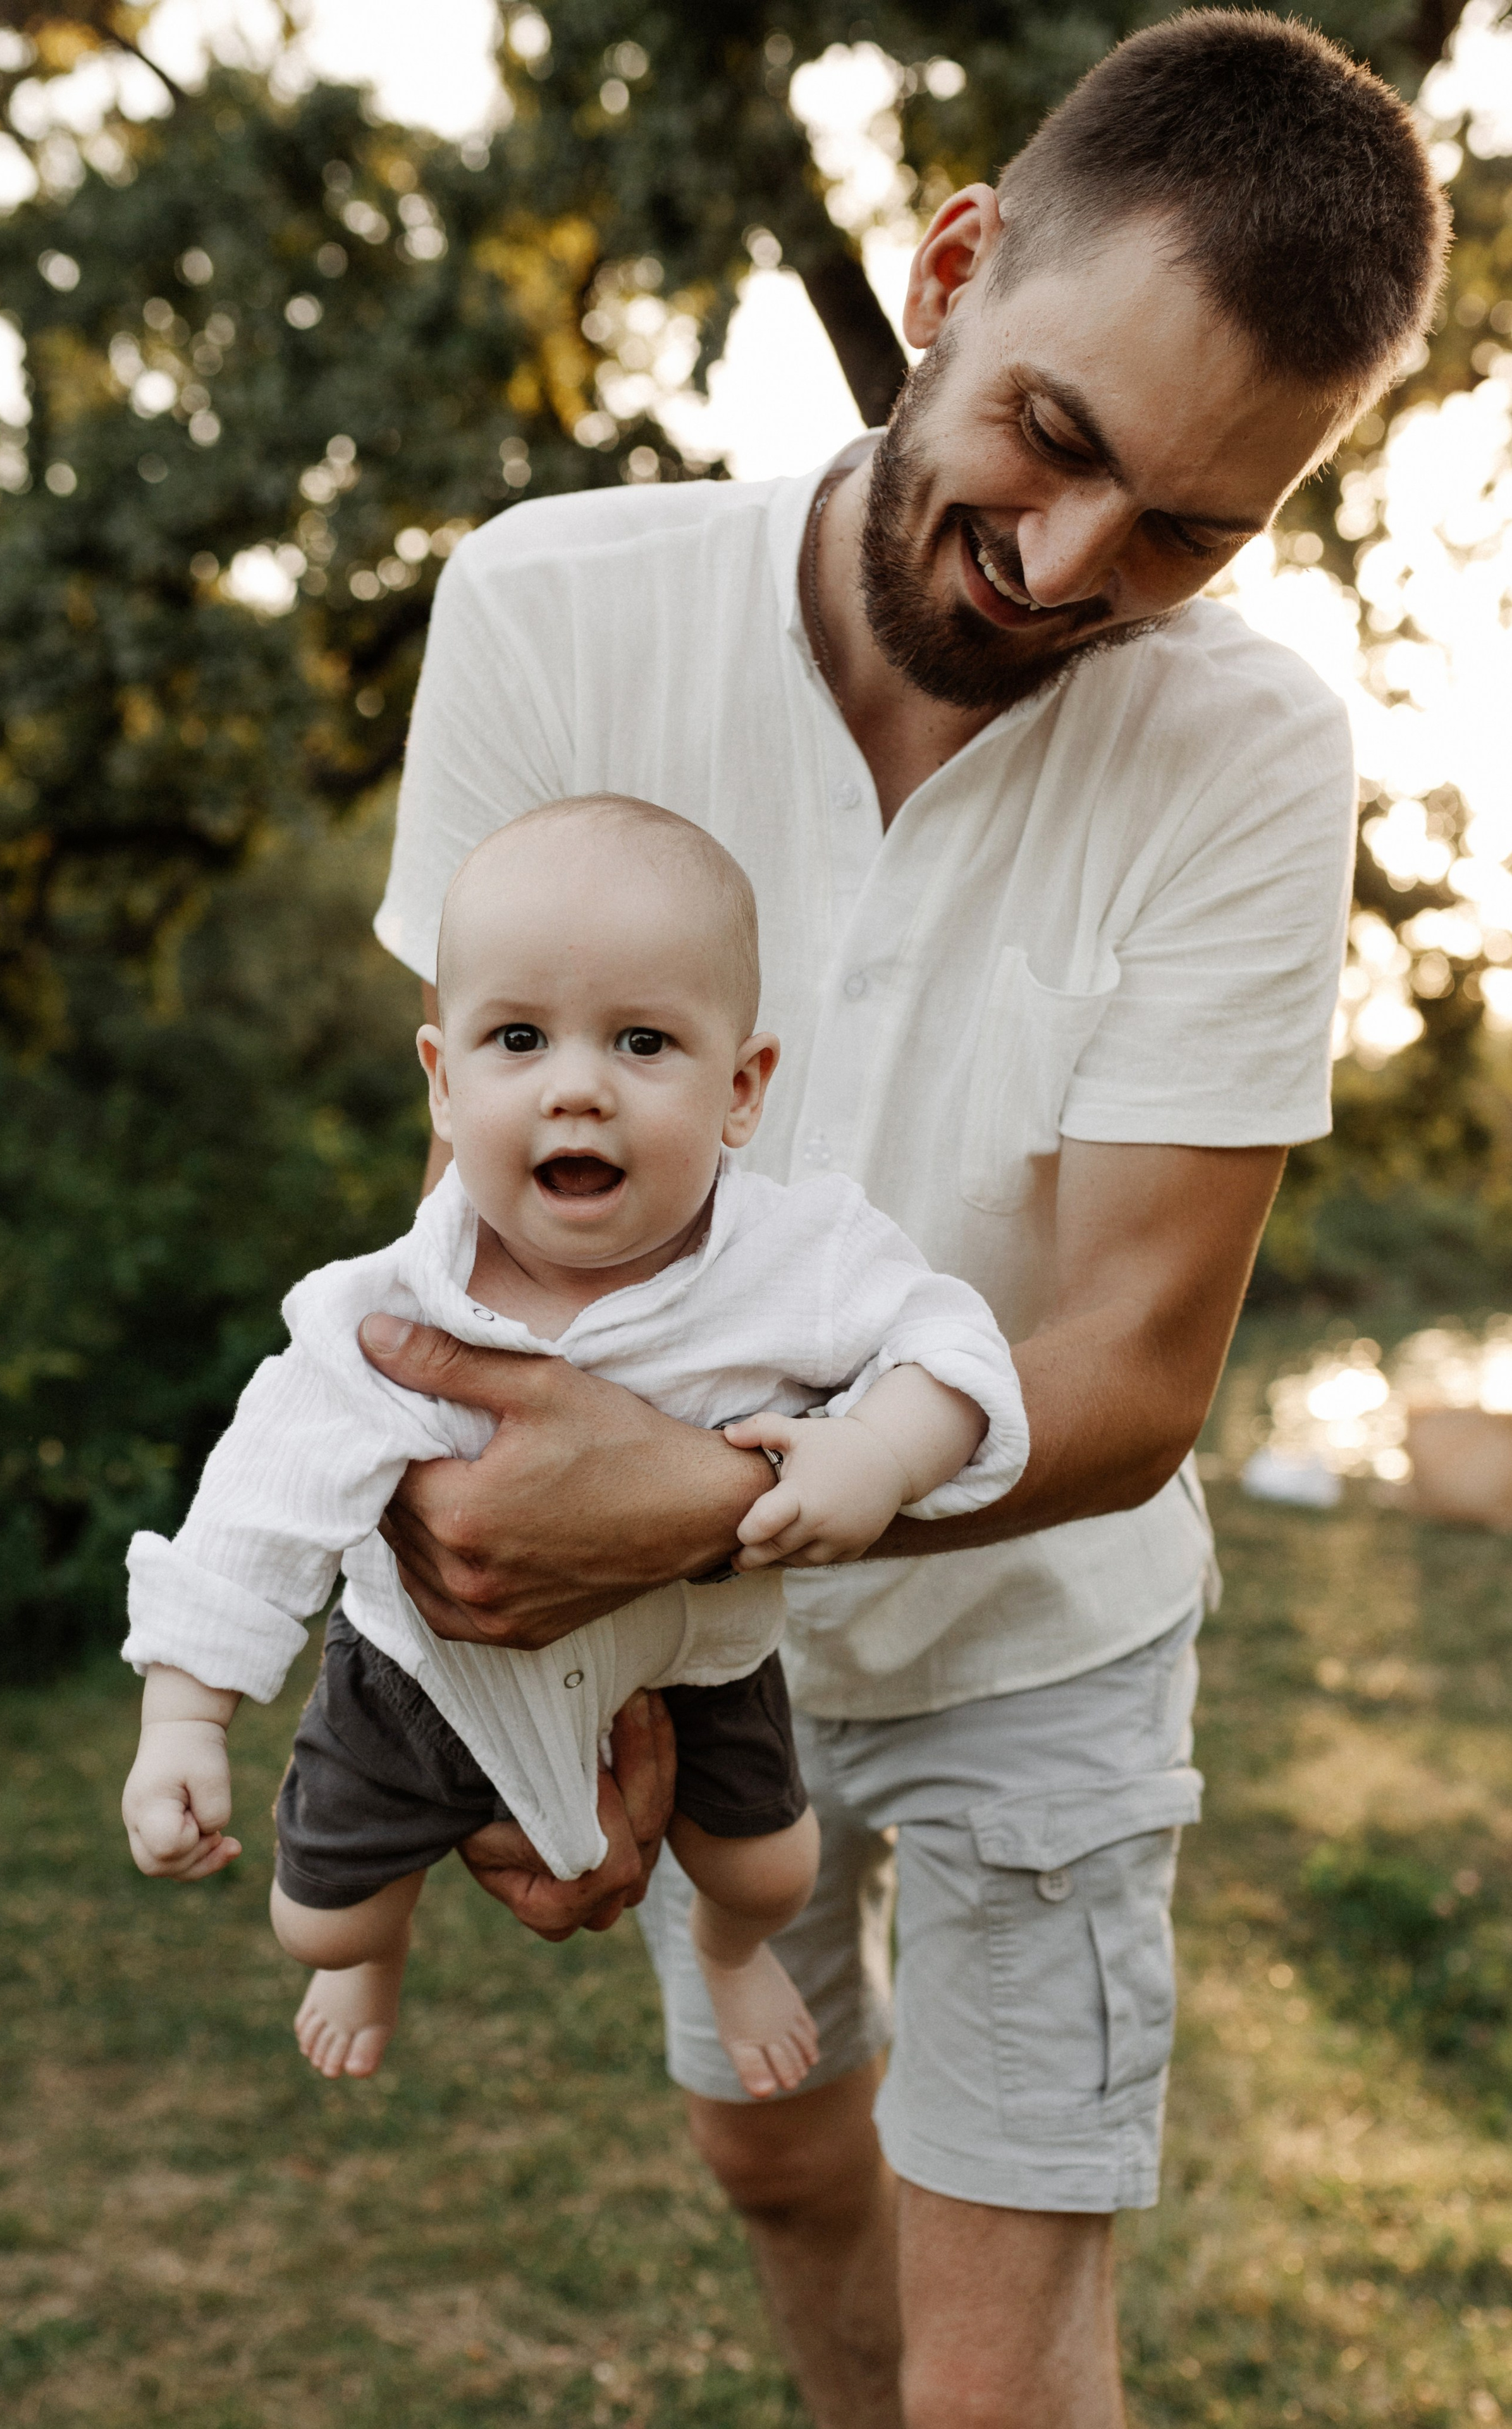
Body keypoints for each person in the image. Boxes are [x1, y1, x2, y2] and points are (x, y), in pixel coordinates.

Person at [353, 15, 1449, 2423]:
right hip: (695, 1656)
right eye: (1055, 441)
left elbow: (1143, 1368)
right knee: (768, 2162)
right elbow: (490, 1228)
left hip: (1037, 1638)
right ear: (953, 267)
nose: (1073, 569)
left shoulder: (1249, 749)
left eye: (1186, 530)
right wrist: (558, 1657)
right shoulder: (553, 607)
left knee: (1002, 2361)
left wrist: (696, 1505)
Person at [119, 796, 1026, 2101]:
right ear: (442, 1078)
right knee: (320, 1919)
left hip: (694, 1656)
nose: (577, 1085)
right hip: (421, 1671)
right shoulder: (384, 1310)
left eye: (644, 1040)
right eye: (518, 1039)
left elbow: (955, 1345)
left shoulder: (797, 1256)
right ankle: (370, 1957)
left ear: (741, 1089)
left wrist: (879, 1452)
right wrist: (182, 1718)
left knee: (771, 1872)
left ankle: (726, 1955)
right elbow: (258, 1503)